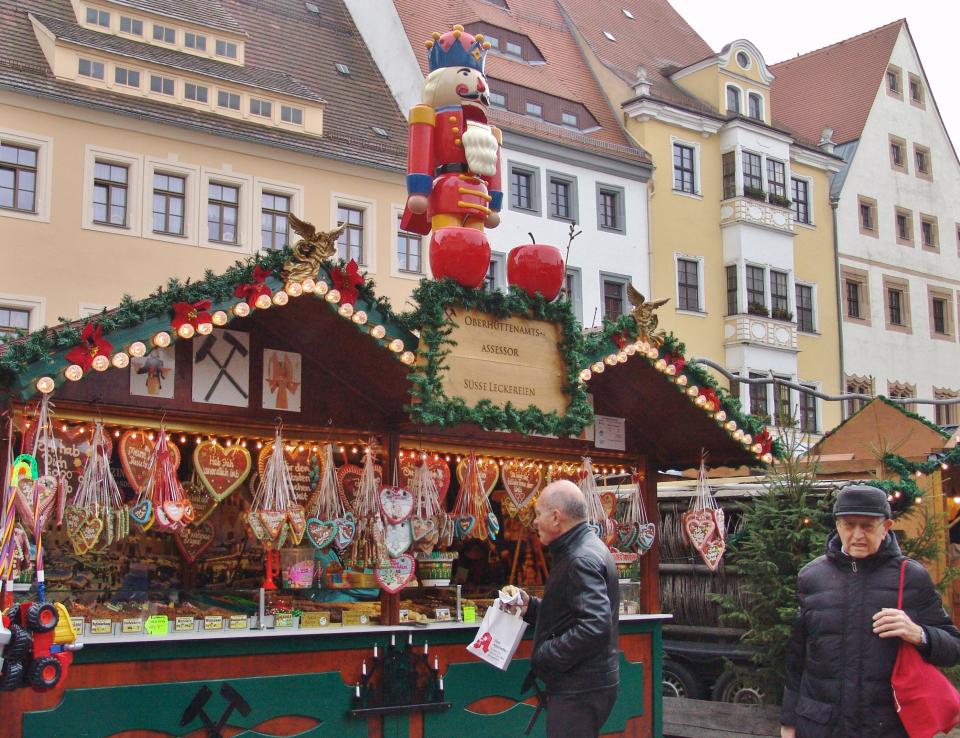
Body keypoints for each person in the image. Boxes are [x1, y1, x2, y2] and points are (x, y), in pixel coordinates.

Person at [781, 484, 960, 737]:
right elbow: (796, 657)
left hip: (885, 728)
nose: (857, 535)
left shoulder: (911, 577)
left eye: (867, 526)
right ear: (837, 525)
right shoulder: (812, 576)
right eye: (849, 525)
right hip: (820, 726)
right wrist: (788, 721)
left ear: (886, 527)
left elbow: (954, 648)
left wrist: (919, 634)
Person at [513, 480, 619, 737]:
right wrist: (532, 608)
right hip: (585, 682)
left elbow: (595, 626)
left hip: (579, 686)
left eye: (538, 514)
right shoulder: (582, 549)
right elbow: (571, 613)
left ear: (556, 517)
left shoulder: (579, 558)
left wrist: (547, 654)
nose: (535, 522)